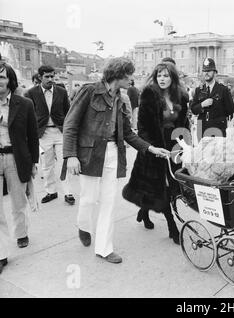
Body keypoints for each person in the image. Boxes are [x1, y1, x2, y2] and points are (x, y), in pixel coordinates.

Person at [63, 57, 170, 264]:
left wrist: (150, 148)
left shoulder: (122, 100)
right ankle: (83, 225)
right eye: (129, 74)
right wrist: (71, 155)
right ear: (118, 75)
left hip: (113, 153)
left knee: (108, 203)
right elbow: (70, 123)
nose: (132, 78)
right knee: (88, 199)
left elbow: (128, 133)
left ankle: (104, 248)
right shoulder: (90, 91)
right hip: (90, 155)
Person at [122, 62, 189, 244]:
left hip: (174, 147)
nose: (162, 79)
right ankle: (172, 227)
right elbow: (142, 127)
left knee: (173, 187)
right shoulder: (149, 95)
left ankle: (143, 211)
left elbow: (184, 124)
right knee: (161, 188)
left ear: (172, 77)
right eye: (159, 75)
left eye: (166, 75)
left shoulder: (181, 96)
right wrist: (152, 148)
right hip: (155, 148)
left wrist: (185, 145)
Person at [0, 62, 39, 274]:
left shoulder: (24, 104)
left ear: (10, 80)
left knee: (18, 201)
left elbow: (33, 136)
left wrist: (34, 162)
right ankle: (1, 253)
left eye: (2, 77)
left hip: (15, 157)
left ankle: (21, 232)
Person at [24, 65, 75, 205]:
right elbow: (28, 114)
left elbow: (68, 112)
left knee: (64, 163)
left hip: (60, 132)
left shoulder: (62, 92)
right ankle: (51, 191)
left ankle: (68, 192)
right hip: (42, 133)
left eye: (52, 76)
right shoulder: (30, 93)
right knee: (47, 164)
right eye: (47, 76)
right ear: (40, 77)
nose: (50, 79)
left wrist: (68, 129)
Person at [191, 57, 234, 139]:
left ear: (215, 73)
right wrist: (202, 105)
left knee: (218, 151)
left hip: (218, 128)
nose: (206, 73)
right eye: (204, 71)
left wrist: (218, 113)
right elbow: (193, 110)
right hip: (202, 127)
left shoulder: (223, 90)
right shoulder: (198, 90)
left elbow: (230, 110)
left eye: (209, 71)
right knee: (203, 151)